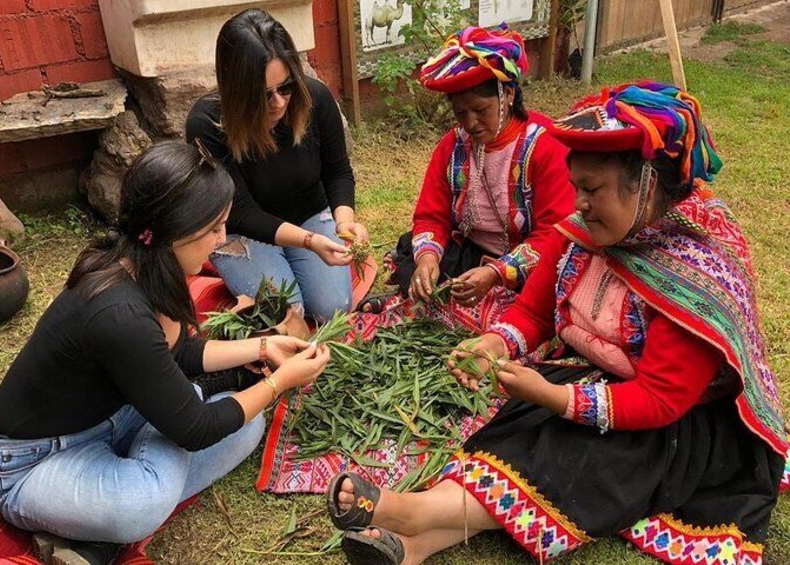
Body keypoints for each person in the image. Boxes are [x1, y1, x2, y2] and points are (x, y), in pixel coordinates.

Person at [326, 82, 786, 564]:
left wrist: (554, 396)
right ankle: (412, 547)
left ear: (646, 184)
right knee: (515, 434)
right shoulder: (580, 235)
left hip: (677, 424)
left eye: (591, 190)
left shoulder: (694, 276)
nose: (578, 204)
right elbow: (533, 311)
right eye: (575, 187)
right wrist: (495, 344)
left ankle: (415, 515)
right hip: (599, 378)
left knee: (574, 456)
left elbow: (658, 400)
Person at [0, 140, 330, 565]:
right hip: (36, 462)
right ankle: (109, 519)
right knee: (144, 501)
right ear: (176, 230)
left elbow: (179, 351)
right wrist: (279, 382)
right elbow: (197, 431)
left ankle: (95, 534)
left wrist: (263, 345)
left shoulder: (146, 265)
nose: (223, 238)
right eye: (215, 227)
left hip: (115, 416)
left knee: (246, 426)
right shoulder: (117, 312)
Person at [186, 9, 367, 322]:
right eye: (263, 95)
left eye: (285, 87)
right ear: (236, 91)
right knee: (285, 312)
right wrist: (309, 242)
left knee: (332, 308)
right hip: (243, 233)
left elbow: (337, 171)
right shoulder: (207, 124)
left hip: (309, 214)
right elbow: (240, 211)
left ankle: (283, 268)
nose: (280, 103)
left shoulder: (315, 98)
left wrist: (344, 222)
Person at [390, 24, 573, 310]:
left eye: (480, 110)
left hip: (529, 260)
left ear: (508, 95)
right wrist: (427, 259)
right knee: (411, 254)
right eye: (461, 113)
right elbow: (431, 216)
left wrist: (496, 273)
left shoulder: (546, 145)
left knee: (555, 288)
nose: (470, 122)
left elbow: (555, 232)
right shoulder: (452, 147)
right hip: (472, 252)